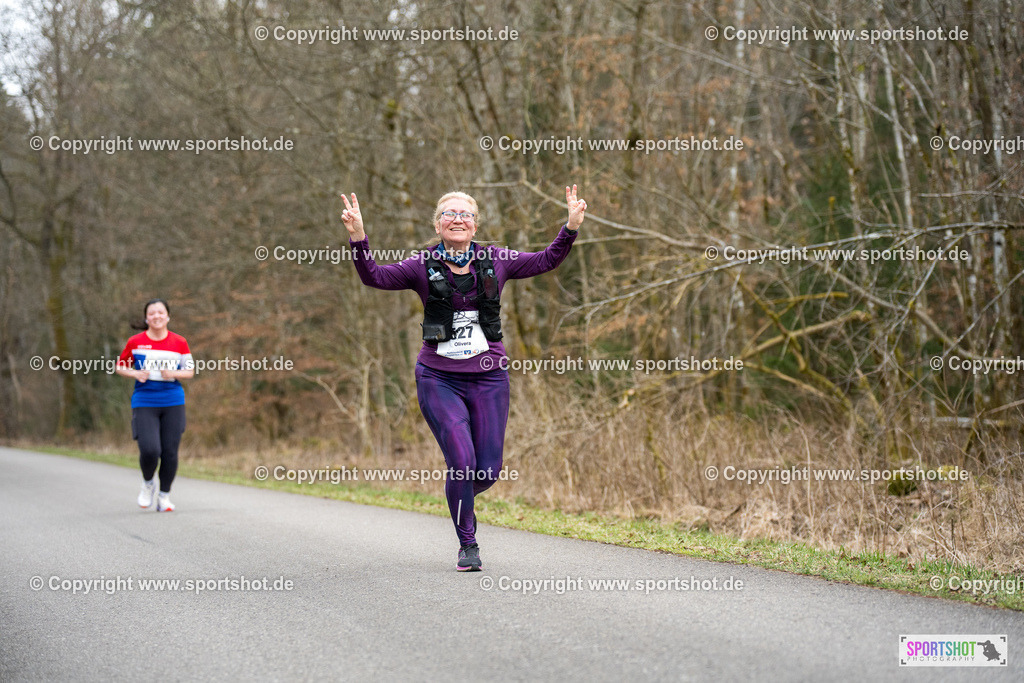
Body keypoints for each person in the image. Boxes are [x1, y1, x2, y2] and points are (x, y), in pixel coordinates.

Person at [342, 186, 587, 571]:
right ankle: (467, 544)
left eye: (465, 214)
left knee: (487, 470)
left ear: (475, 224)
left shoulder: (497, 259)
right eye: (449, 214)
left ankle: (458, 499)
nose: (458, 219)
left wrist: (570, 228)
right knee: (461, 461)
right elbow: (373, 277)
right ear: (437, 224)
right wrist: (359, 237)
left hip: (489, 377)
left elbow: (546, 260)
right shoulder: (420, 266)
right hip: (439, 378)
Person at [115, 299, 194, 512]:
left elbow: (190, 371)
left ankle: (164, 496)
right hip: (145, 400)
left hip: (173, 401)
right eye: (152, 313)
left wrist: (174, 373)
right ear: (146, 318)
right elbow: (120, 366)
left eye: (160, 312)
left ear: (167, 316)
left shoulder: (179, 342)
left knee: (169, 452)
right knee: (150, 450)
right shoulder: (136, 342)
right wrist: (135, 372)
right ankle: (148, 483)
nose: (156, 316)